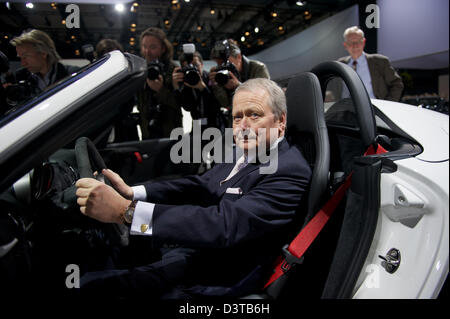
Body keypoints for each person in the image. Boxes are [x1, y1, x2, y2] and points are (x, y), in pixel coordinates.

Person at [75, 78, 312, 298]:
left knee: (91, 286)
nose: (243, 126)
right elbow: (201, 185)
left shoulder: (288, 169)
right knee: (97, 264)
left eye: (254, 115)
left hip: (219, 278)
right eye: (237, 117)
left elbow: (223, 225)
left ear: (281, 121)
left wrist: (127, 212)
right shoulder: (247, 153)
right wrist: (133, 193)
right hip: (198, 254)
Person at [8, 29, 79, 105]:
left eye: (25, 56)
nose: (23, 63)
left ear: (43, 53)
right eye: (20, 57)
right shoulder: (21, 76)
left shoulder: (72, 74)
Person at [209, 39, 270, 126]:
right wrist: (216, 84)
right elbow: (225, 103)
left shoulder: (258, 68)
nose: (223, 67)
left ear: (238, 57)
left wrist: (238, 86)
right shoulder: (222, 74)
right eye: (219, 64)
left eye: (226, 63)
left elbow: (264, 98)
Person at [137, 27, 181, 139]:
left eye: (152, 47)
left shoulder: (174, 70)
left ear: (163, 49)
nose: (147, 52)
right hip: (147, 134)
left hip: (171, 135)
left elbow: (181, 103)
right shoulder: (140, 70)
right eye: (144, 46)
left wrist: (160, 91)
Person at [338, 26, 404, 101]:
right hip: (346, 110)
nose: (355, 46)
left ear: (364, 42)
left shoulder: (380, 62)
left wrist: (387, 104)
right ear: (345, 45)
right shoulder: (340, 65)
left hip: (374, 110)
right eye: (351, 42)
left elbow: (397, 84)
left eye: (358, 42)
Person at [95, 38, 139, 142]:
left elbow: (129, 104)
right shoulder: (94, 80)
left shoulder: (126, 78)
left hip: (124, 133)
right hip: (100, 133)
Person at [172, 50, 225, 133]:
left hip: (216, 126)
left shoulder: (211, 78)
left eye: (196, 65)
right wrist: (176, 87)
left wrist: (203, 88)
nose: (194, 69)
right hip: (197, 127)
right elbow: (187, 107)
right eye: (189, 67)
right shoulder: (186, 82)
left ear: (202, 64)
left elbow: (217, 105)